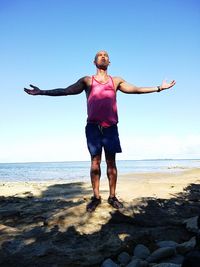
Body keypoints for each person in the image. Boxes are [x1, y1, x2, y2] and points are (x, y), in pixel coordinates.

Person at [24, 50, 176, 212]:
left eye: (106, 56)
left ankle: (112, 196)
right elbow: (66, 91)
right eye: (100, 55)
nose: (103, 57)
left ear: (109, 62)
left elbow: (136, 89)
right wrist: (42, 92)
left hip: (110, 127)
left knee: (111, 163)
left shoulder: (116, 81)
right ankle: (96, 197)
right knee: (95, 163)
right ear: (94, 61)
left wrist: (159, 88)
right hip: (93, 127)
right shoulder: (87, 81)